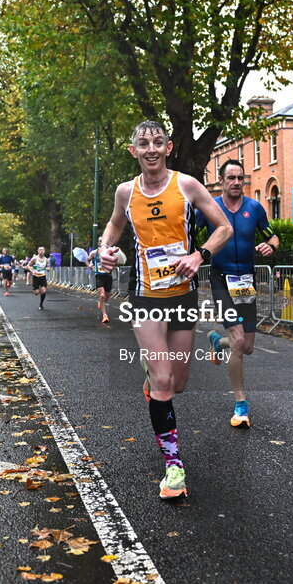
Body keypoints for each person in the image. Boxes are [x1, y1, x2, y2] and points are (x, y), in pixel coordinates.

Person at [98, 120, 232, 500]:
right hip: (144, 296)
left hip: (183, 295)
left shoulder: (187, 185)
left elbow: (223, 229)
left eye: (158, 142)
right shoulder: (126, 192)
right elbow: (113, 225)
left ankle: (154, 383)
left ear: (169, 147)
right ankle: (174, 467)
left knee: (178, 383)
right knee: (162, 380)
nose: (151, 149)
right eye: (144, 143)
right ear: (134, 151)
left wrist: (199, 255)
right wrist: (106, 248)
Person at [195, 160, 279, 429]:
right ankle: (241, 404)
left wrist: (270, 246)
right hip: (221, 279)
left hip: (246, 282)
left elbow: (273, 236)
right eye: (230, 177)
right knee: (239, 339)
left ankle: (217, 341)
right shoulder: (210, 208)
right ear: (221, 180)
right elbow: (187, 233)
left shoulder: (254, 208)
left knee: (247, 346)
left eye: (240, 178)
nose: (236, 182)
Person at [86, 237, 122, 325]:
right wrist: (89, 265)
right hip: (99, 276)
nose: (103, 242)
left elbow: (116, 263)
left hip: (108, 276)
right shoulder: (94, 253)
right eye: (101, 241)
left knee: (106, 297)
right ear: (98, 243)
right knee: (102, 294)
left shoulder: (110, 253)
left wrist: (114, 260)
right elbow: (87, 260)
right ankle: (105, 315)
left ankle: (101, 301)